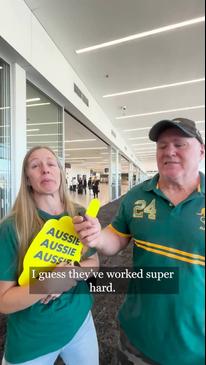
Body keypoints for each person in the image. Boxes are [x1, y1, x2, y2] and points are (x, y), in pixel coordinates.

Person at [73, 118, 205, 365]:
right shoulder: (137, 197)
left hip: (196, 347)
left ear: (201, 150)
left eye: (179, 144)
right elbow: (116, 239)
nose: (169, 152)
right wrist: (98, 235)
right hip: (137, 338)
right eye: (162, 146)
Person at [0, 146, 99, 365]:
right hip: (33, 339)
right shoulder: (11, 228)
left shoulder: (79, 214)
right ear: (28, 179)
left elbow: (94, 263)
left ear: (60, 173)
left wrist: (71, 272)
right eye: (35, 165)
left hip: (79, 322)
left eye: (51, 164)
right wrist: (48, 283)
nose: (45, 169)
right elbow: (4, 301)